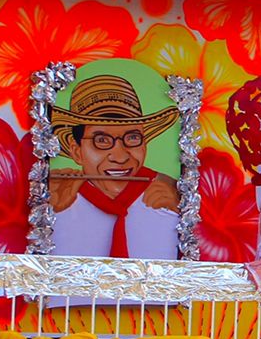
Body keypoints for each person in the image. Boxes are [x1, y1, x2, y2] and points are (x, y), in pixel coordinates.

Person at [48, 74, 181, 260]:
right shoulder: (56, 199)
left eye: (133, 138)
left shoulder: (171, 198)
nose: (120, 157)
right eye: (101, 140)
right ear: (77, 151)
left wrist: (182, 203)